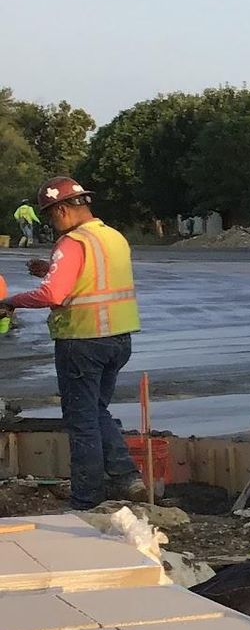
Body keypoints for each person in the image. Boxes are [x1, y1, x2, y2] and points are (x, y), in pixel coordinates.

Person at [0, 177, 145, 509]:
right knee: (97, 410)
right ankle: (126, 477)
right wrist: (51, 269)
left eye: (51, 215)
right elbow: (94, 278)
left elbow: (54, 293)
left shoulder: (72, 242)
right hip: (118, 338)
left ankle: (86, 500)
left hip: (82, 340)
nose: (52, 223)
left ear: (62, 209)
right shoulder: (112, 236)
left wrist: (12, 300)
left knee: (81, 422)